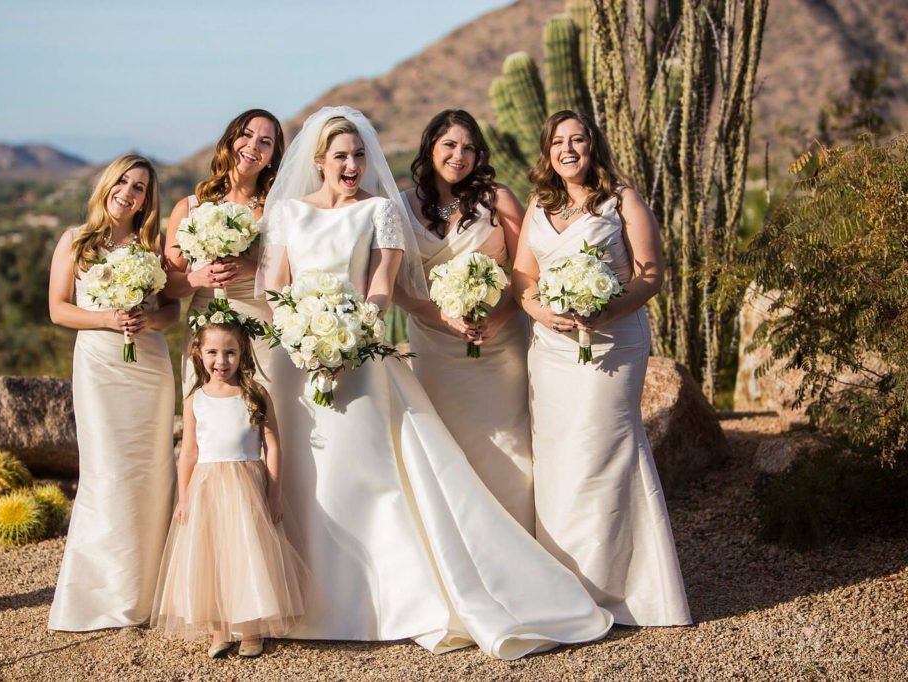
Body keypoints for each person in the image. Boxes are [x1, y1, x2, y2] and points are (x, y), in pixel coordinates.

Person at [258, 106, 613, 660]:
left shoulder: (381, 211)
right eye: (340, 156)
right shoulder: (288, 215)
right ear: (320, 162)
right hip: (299, 362)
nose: (351, 164)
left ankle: (380, 604)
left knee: (369, 477)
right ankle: (304, 602)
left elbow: (380, 287)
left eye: (358, 155)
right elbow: (277, 288)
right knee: (309, 474)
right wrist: (304, 341)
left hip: (361, 353)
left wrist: (349, 337)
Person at [512, 110, 691, 626]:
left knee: (603, 452)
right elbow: (524, 274)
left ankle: (622, 591)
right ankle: (568, 587)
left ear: (593, 146)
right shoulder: (539, 205)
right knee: (559, 458)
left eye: (579, 139)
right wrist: (538, 309)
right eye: (559, 142)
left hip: (613, 345)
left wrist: (603, 310)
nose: (569, 149)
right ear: (547, 152)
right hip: (551, 351)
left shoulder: (621, 200)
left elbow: (650, 274)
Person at [47, 154, 177, 630]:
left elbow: (171, 314)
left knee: (151, 471)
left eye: (140, 187)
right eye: (123, 181)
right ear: (107, 185)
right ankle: (104, 595)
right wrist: (107, 318)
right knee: (107, 470)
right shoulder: (76, 242)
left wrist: (147, 320)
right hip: (101, 367)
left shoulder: (151, 246)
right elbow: (58, 309)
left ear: (148, 200)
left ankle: (150, 594)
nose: (129, 192)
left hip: (149, 367)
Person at [397, 109, 534, 531]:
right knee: (448, 447)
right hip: (434, 347)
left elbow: (527, 270)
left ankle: (522, 548)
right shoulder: (400, 206)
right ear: (430, 148)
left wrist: (498, 317)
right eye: (450, 145)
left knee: (510, 449)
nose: (460, 155)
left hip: (499, 344)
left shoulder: (499, 199)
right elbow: (397, 285)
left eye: (469, 148)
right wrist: (438, 314)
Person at [150, 315, 305, 659]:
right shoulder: (195, 399)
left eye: (230, 353)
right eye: (213, 353)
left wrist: (274, 492)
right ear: (199, 353)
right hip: (206, 488)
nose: (222, 361)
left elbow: (273, 446)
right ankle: (220, 629)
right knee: (213, 555)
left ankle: (250, 629)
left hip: (245, 484)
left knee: (248, 553)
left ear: (243, 352)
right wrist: (183, 498)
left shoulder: (254, 394)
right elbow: (188, 453)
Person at [163, 109, 286, 394]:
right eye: (246, 135)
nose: (253, 146)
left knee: (264, 415)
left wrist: (253, 271)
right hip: (206, 329)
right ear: (230, 140)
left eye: (265, 142)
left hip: (261, 326)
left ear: (272, 158)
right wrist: (198, 278)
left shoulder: (276, 211)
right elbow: (168, 287)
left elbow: (292, 276)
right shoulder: (190, 208)